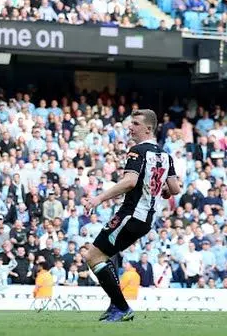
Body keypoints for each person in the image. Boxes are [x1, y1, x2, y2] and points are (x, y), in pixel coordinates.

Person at [84, 109, 181, 323]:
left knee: (93, 256)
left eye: (136, 124)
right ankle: (115, 305)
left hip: (130, 215)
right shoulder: (165, 155)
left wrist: (98, 199)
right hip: (145, 219)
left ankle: (121, 307)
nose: (130, 127)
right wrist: (162, 190)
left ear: (148, 129)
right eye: (131, 123)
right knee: (103, 256)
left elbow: (130, 182)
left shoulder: (137, 151)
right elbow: (174, 188)